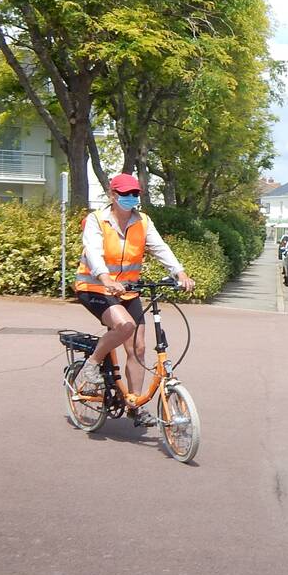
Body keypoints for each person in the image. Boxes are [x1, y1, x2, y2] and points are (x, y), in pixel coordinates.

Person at [74, 173, 194, 426]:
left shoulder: (143, 222)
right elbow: (94, 252)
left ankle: (134, 403)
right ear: (112, 195)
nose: (131, 198)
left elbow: (160, 248)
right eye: (125, 194)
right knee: (125, 326)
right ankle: (92, 365)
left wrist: (180, 272)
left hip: (128, 290)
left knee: (138, 348)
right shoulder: (97, 221)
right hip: (94, 287)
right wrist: (105, 278)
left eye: (135, 194)